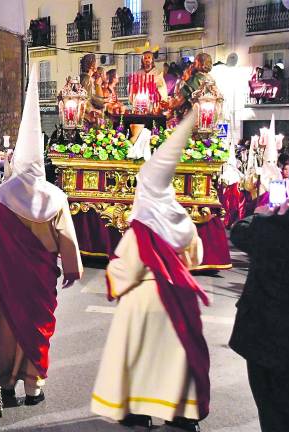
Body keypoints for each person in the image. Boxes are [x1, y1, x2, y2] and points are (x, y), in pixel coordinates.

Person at [91, 111, 210, 432]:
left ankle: (138, 411)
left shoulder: (140, 229)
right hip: (179, 295)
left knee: (140, 359)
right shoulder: (182, 219)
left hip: (144, 302)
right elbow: (196, 256)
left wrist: (113, 277)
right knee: (177, 359)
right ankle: (181, 412)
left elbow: (127, 269)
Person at [0, 65, 83, 408]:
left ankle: (6, 386)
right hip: (39, 281)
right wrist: (72, 269)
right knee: (36, 328)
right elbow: (67, 240)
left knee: (5, 328)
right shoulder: (54, 198)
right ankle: (33, 388)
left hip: (6, 280)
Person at [229, 150, 289, 432]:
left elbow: (239, 231)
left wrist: (266, 214)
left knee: (275, 414)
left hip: (268, 342)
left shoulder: (273, 225)